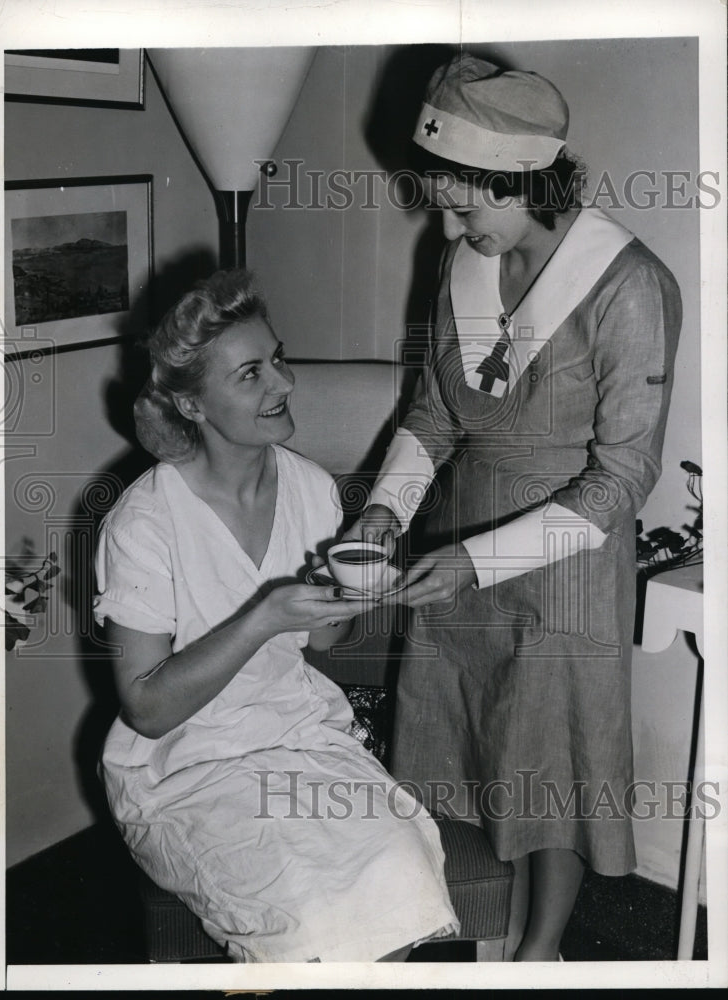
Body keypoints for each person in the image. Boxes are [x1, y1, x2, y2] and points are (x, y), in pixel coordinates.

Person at [348, 55, 682, 961]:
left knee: (546, 768)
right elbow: (432, 411)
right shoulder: (461, 258)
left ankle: (539, 954)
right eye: (444, 203)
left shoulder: (628, 286)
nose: (447, 225)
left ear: (525, 179)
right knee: (470, 746)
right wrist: (386, 508)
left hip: (565, 560)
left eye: (467, 205)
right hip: (457, 535)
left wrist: (473, 559)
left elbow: (619, 479)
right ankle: (474, 926)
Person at [93, 270, 459, 963]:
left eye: (279, 359)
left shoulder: (310, 488)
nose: (284, 384)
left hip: (297, 736)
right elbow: (145, 708)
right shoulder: (144, 522)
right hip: (186, 769)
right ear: (193, 406)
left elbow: (324, 637)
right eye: (251, 375)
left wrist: (355, 596)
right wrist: (262, 617)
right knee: (309, 917)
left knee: (398, 871)